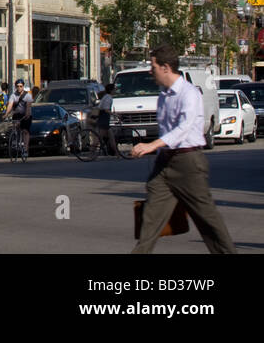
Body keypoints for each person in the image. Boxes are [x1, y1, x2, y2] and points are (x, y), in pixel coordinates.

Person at [132, 46, 236, 254]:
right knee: (151, 213)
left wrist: (152, 145)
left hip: (188, 162)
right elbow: (167, 129)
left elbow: (183, 128)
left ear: (166, 67)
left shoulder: (189, 94)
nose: (150, 71)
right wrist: (157, 151)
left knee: (206, 217)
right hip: (165, 161)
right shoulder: (163, 95)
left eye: (153, 67)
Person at [7, 79, 33, 156]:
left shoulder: (28, 96)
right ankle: (15, 141)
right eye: (17, 86)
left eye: (21, 86)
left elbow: (28, 107)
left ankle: (25, 149)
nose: (19, 88)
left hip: (25, 115)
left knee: (25, 131)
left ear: (23, 86)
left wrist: (27, 114)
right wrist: (6, 114)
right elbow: (10, 105)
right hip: (17, 114)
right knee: (15, 126)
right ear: (15, 87)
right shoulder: (13, 95)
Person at [96, 83, 117, 156]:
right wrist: (114, 114)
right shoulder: (108, 98)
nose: (115, 90)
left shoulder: (106, 97)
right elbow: (106, 109)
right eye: (114, 89)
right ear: (111, 90)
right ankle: (91, 152)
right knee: (100, 138)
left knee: (111, 138)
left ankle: (117, 154)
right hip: (103, 120)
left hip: (105, 120)